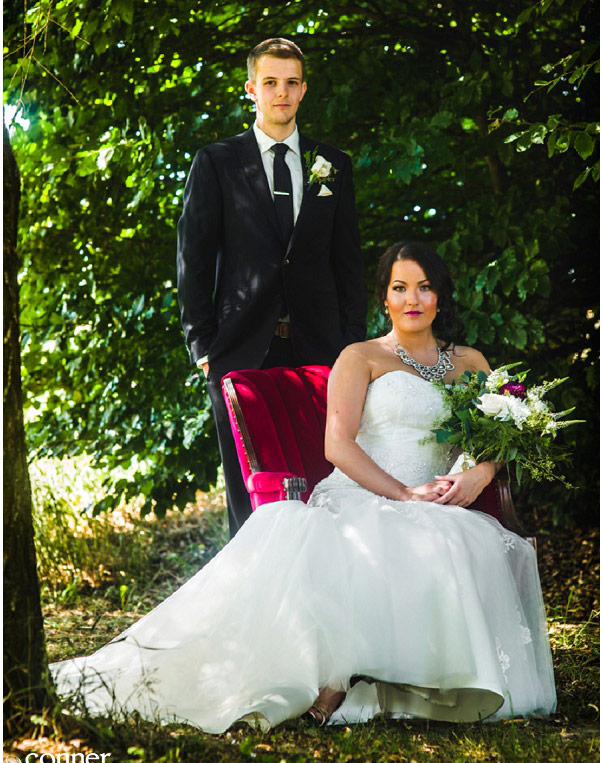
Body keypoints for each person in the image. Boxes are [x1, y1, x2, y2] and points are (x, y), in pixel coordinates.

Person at [50, 241, 556, 730]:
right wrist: (403, 495)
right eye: (400, 288)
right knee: (402, 535)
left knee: (465, 537)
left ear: (440, 295)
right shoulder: (361, 357)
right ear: (384, 296)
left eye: (424, 288)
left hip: (442, 499)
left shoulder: (472, 363)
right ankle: (338, 680)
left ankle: (428, 684)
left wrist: (480, 473)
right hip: (367, 494)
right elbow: (337, 445)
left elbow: (497, 436)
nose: (412, 300)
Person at [177, 37, 366, 538]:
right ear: (251, 90)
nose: (280, 93)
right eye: (270, 83)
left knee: (325, 480)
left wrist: (352, 346)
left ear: (303, 90)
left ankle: (323, 592)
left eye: (290, 83)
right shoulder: (217, 162)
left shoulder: (334, 164)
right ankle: (257, 600)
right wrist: (202, 344)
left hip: (320, 349)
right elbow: (193, 259)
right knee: (251, 486)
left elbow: (348, 262)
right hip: (240, 348)